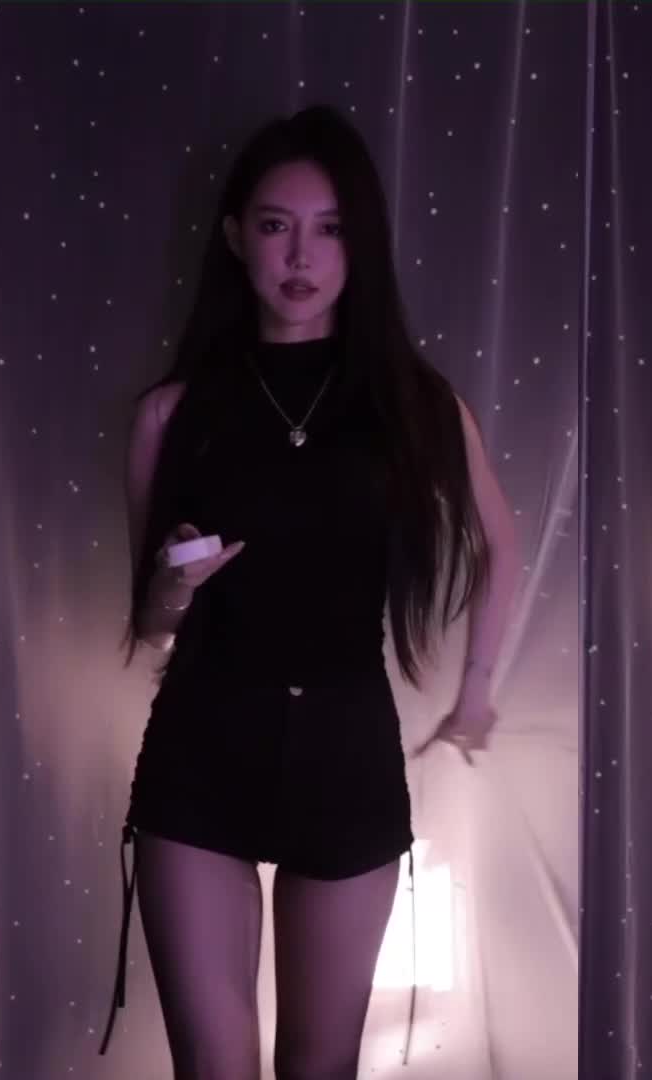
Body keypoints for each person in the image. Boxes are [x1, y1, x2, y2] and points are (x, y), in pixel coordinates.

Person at [94, 105, 521, 1080]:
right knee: (214, 1068)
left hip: (346, 754)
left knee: (321, 1066)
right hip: (201, 753)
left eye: (330, 228)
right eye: (277, 225)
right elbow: (152, 627)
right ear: (235, 236)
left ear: (360, 245)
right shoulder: (170, 415)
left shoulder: (415, 404)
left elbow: (501, 543)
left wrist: (477, 690)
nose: (301, 254)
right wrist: (170, 584)